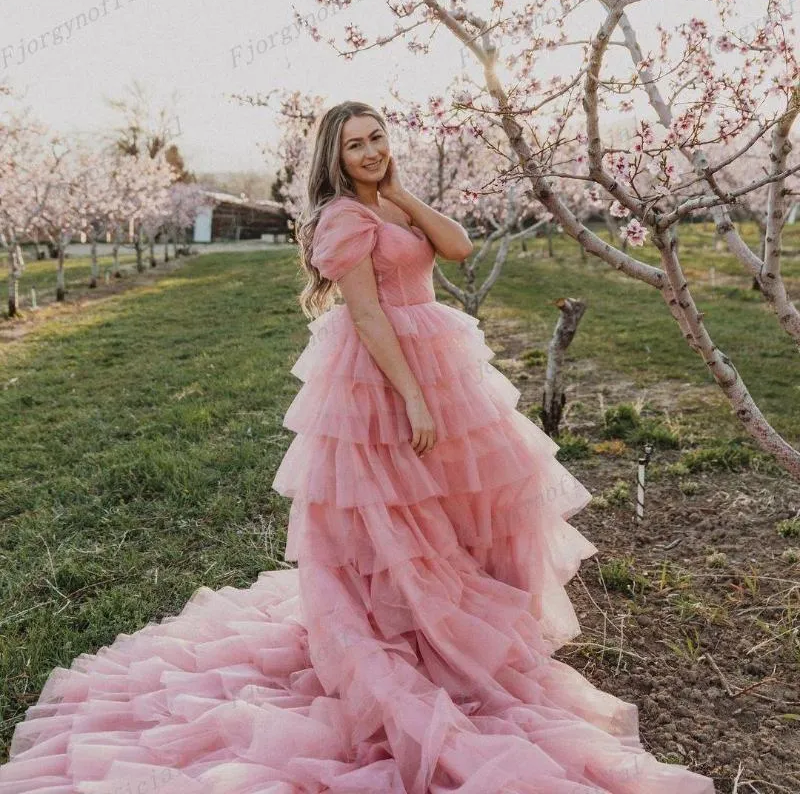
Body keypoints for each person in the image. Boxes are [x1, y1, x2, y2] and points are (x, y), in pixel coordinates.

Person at [0, 101, 718, 794]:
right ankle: (408, 631)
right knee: (397, 506)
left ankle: (461, 629)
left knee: (466, 496)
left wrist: (402, 193)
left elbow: (459, 248)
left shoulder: (393, 201)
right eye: (356, 144)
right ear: (334, 158)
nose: (371, 151)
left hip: (441, 353)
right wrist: (410, 396)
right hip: (385, 372)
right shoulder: (342, 218)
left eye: (378, 137)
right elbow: (367, 314)